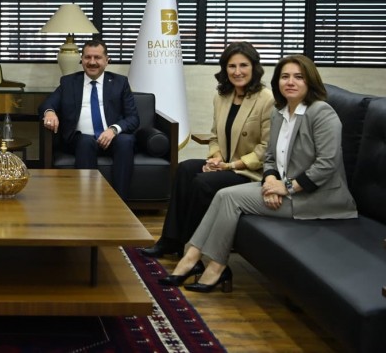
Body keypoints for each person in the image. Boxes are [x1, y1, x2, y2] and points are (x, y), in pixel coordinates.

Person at [159, 54, 357, 293]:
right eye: (285, 77)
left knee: (230, 198)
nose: (290, 82)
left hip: (316, 197)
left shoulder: (322, 113)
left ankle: (209, 266)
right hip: (283, 185)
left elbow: (327, 164)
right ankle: (196, 260)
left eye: (298, 77)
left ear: (310, 81)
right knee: (224, 195)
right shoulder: (280, 112)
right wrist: (271, 180)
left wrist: (286, 187)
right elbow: (270, 157)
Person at [141, 41, 274, 258]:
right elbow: (215, 136)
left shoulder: (266, 99)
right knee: (184, 169)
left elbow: (266, 149)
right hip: (225, 164)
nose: (237, 71)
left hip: (249, 171)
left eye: (243, 65)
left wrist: (229, 165)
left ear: (254, 68)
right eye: (232, 66)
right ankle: (170, 240)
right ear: (225, 69)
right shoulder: (222, 97)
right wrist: (216, 158)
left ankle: (191, 248)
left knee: (202, 182)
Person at [39, 40, 139, 198]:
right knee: (85, 141)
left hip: (112, 139)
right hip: (80, 140)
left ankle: (121, 201)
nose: (92, 62)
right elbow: (47, 104)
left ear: (107, 60)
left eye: (97, 57)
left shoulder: (120, 83)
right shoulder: (69, 82)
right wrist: (50, 112)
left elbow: (133, 118)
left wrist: (113, 130)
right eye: (87, 57)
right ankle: (87, 201)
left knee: (125, 141)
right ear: (82, 59)